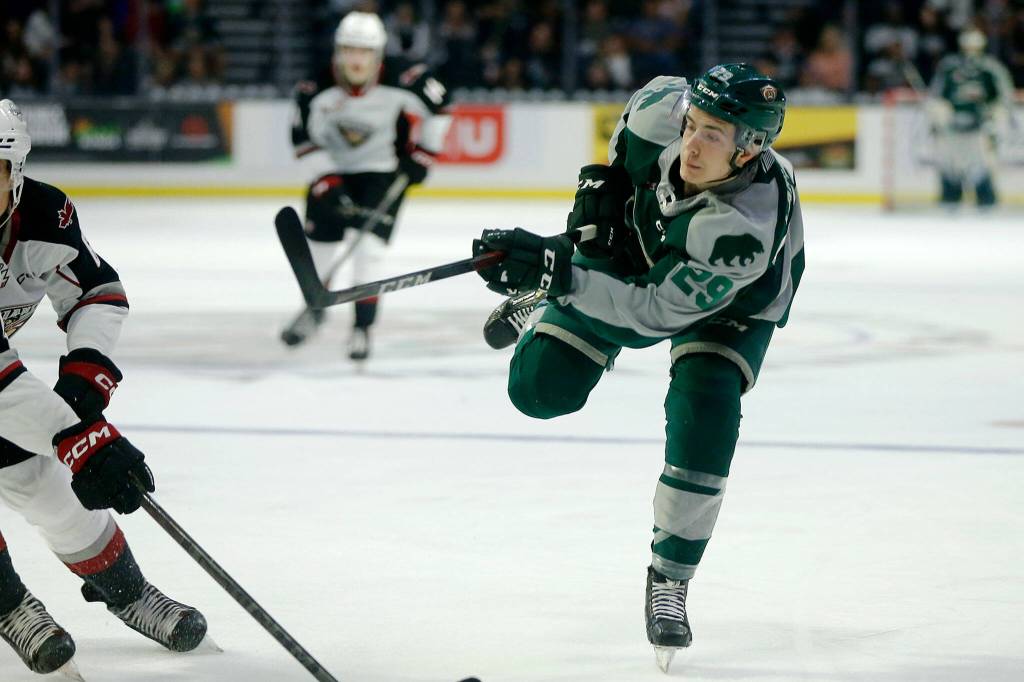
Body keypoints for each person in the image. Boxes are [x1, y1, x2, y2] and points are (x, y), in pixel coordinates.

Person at [472, 64, 804, 672]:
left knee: (705, 405)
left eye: (715, 136)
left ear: (751, 148)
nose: (693, 145)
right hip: (652, 242)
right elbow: (622, 145)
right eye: (694, 125)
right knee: (539, 391)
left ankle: (671, 578)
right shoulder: (661, 106)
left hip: (730, 300)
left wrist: (560, 271)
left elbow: (648, 317)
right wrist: (598, 202)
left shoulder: (741, 231)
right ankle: (549, 301)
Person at [0, 99, 206, 676]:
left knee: (50, 494)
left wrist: (86, 375)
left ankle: (130, 592)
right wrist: (81, 437)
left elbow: (95, 292)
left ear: (15, 176)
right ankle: (10, 607)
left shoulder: (45, 214)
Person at [281, 10, 452, 360]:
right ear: (337, 51)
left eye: (365, 52)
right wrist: (327, 179)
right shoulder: (314, 87)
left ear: (379, 55)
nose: (356, 60)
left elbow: (441, 106)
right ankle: (314, 310)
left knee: (368, 253)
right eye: (348, 50)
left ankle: (362, 327)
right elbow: (301, 139)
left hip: (381, 174)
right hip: (332, 172)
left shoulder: (405, 77)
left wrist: (423, 154)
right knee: (321, 254)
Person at [927, 28, 1015, 208]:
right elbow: (936, 95)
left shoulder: (991, 67)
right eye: (967, 47)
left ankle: (986, 200)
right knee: (950, 166)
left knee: (981, 166)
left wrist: (994, 114)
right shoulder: (949, 66)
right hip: (953, 127)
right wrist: (940, 114)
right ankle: (950, 198)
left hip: (979, 127)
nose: (970, 53)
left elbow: (1005, 96)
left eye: (974, 48)